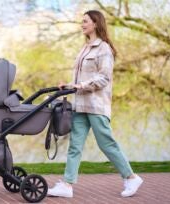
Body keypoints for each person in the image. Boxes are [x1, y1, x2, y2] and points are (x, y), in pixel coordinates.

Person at [47, 10, 143, 198]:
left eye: (85, 21)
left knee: (107, 143)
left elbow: (103, 78)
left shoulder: (104, 49)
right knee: (75, 145)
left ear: (96, 23)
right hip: (80, 105)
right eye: (81, 21)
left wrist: (80, 85)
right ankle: (67, 185)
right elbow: (81, 77)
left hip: (96, 105)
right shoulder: (84, 48)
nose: (82, 24)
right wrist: (69, 85)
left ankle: (131, 177)